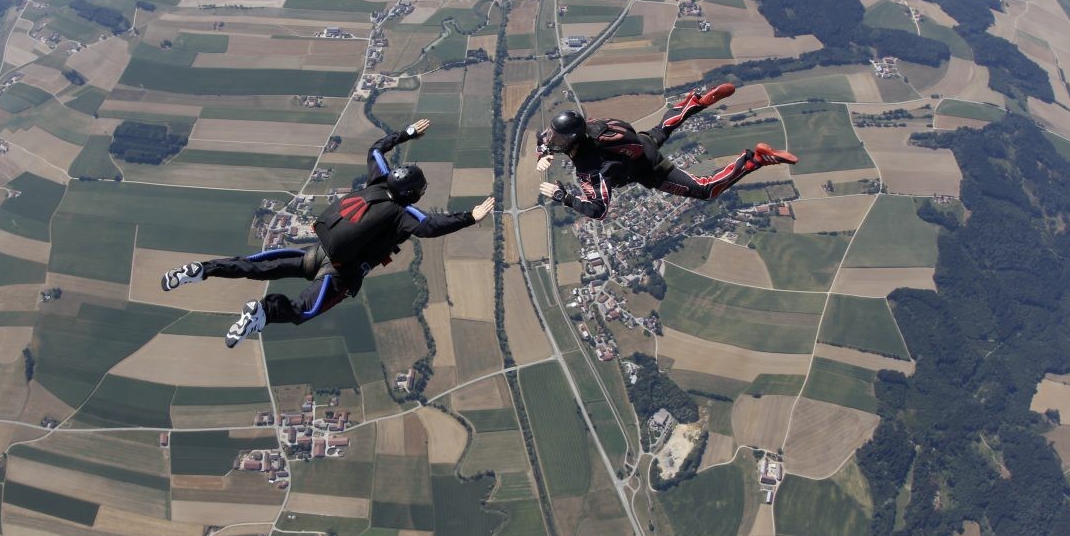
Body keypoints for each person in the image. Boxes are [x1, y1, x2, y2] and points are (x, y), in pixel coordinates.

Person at [161, 119, 495, 347]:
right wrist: (470, 217)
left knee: (255, 264)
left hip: (316, 252)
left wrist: (406, 134)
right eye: (421, 190)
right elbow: (431, 227)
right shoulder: (403, 215)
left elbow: (375, 150)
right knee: (302, 311)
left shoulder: (379, 180)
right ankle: (262, 313)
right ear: (412, 194)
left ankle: (201, 270)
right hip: (339, 274)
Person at [536, 83, 798, 220]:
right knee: (661, 129)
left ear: (572, 140)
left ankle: (755, 160)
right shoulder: (591, 127)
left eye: (557, 139)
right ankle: (694, 103)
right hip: (640, 143)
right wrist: (543, 152)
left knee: (706, 190)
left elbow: (598, 211)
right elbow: (545, 138)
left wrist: (564, 197)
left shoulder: (588, 169)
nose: (551, 140)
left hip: (647, 168)